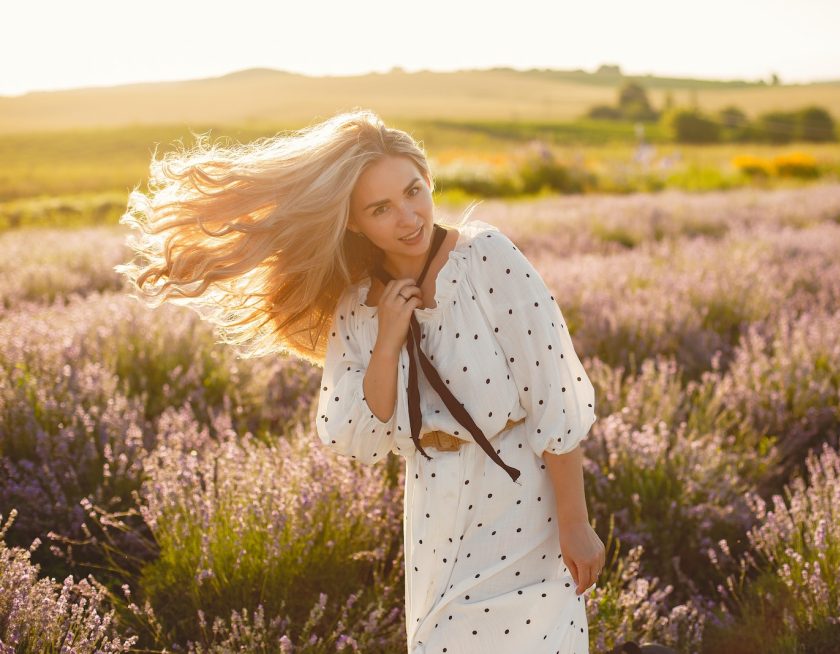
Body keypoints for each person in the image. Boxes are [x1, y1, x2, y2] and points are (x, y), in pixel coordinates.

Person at [117, 109, 605, 653]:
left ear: (427, 180)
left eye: (414, 191)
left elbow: (554, 394)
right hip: (435, 507)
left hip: (520, 497)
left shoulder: (489, 257)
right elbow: (361, 431)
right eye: (382, 208)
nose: (409, 217)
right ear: (354, 222)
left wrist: (575, 522)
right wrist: (388, 336)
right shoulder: (357, 307)